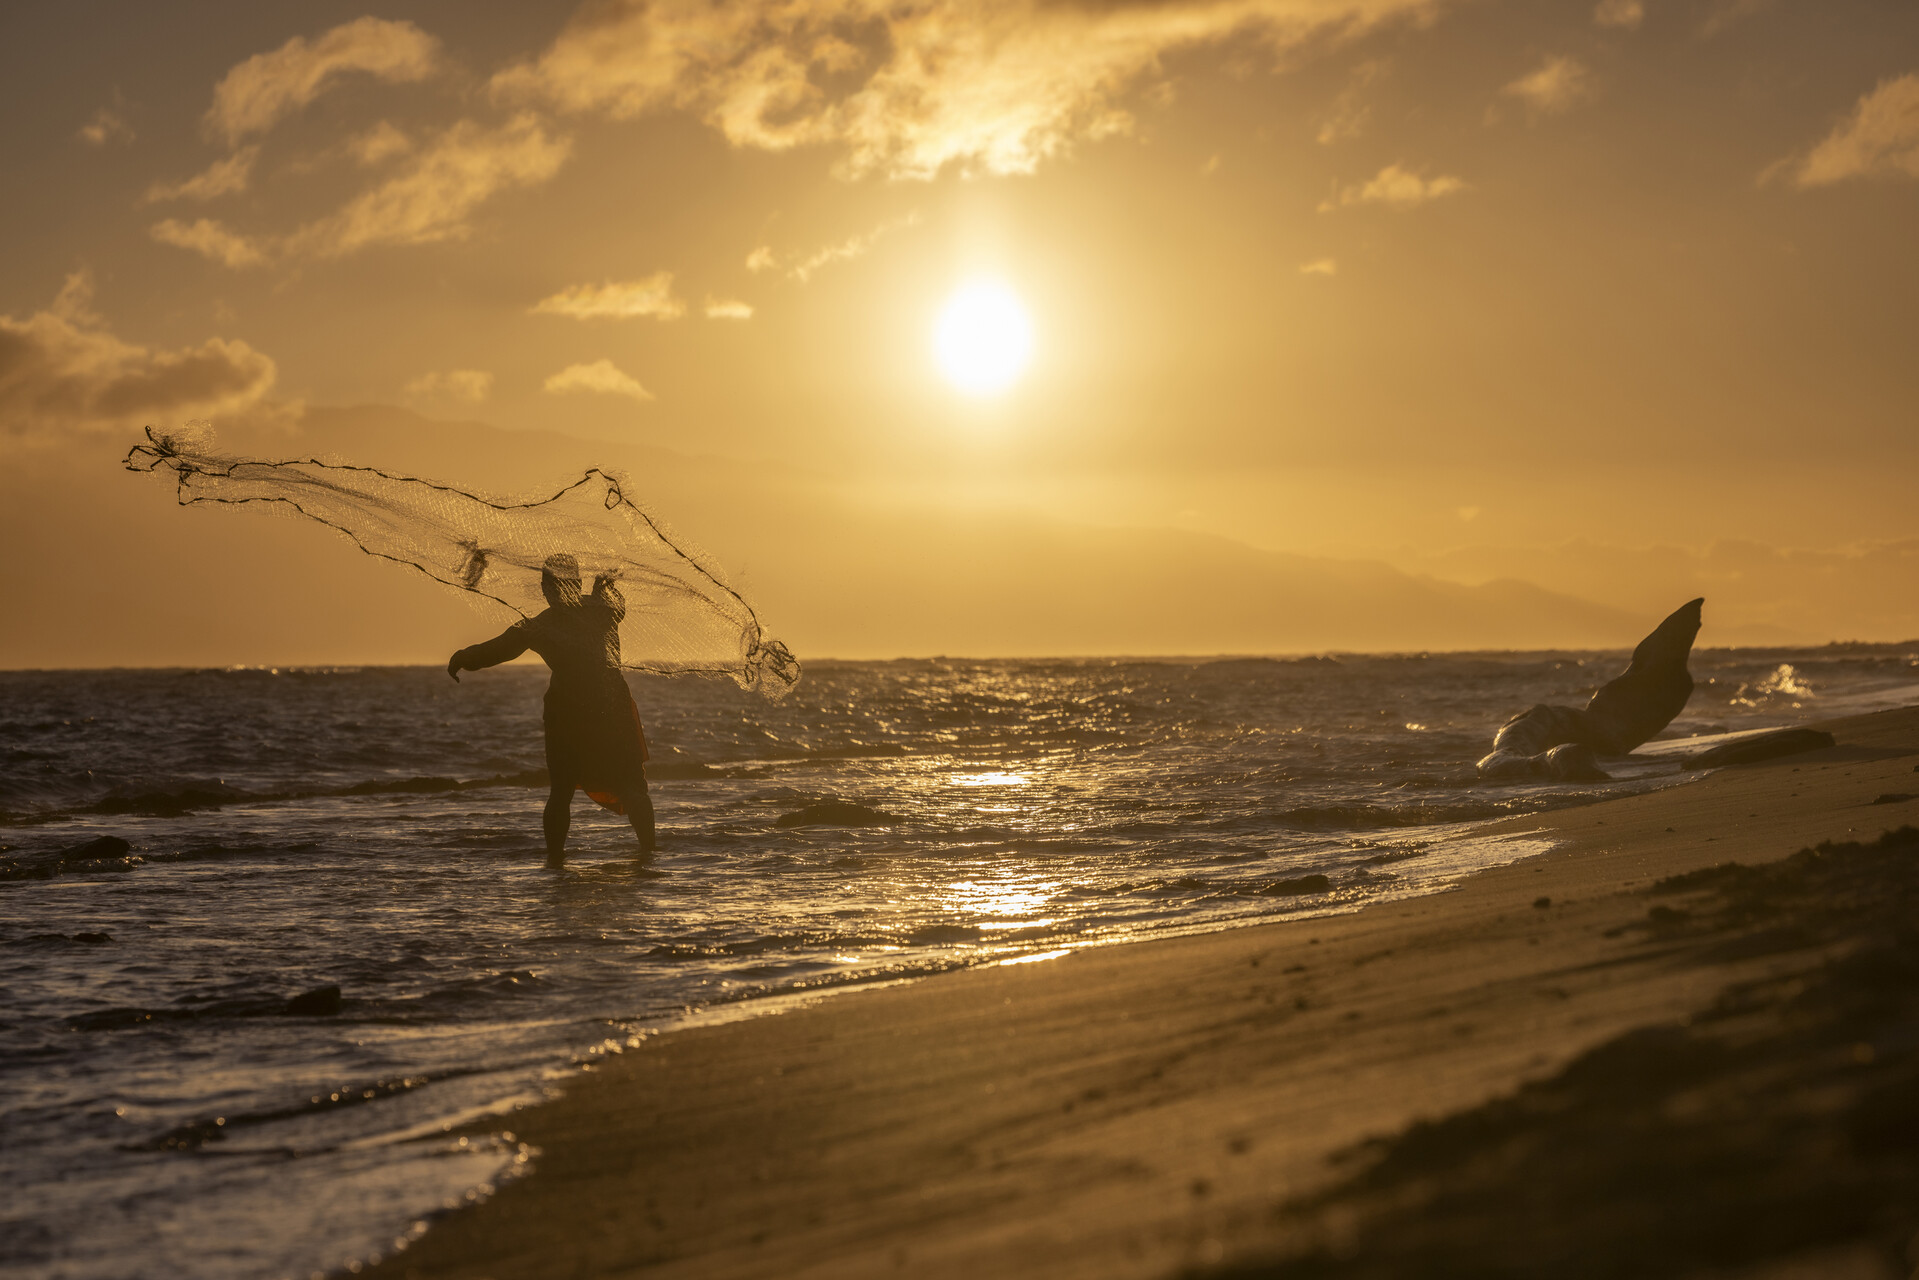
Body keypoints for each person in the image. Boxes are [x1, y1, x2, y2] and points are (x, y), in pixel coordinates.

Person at [447, 554, 656, 868]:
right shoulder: (597, 613)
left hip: (582, 711)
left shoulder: (547, 624)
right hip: (599, 708)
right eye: (548, 584)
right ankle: (644, 854)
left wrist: (465, 657)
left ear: (566, 585)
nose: (551, 590)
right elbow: (500, 648)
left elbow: (499, 649)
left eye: (554, 584)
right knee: (615, 787)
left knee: (584, 789)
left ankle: (560, 863)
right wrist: (604, 585)